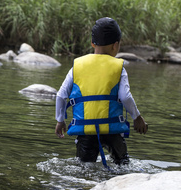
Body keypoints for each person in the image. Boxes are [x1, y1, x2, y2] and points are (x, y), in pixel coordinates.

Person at [54, 17, 148, 166]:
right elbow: (125, 96)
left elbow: (60, 95)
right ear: (115, 45)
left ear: (92, 43)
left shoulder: (77, 66)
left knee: (84, 168)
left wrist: (60, 120)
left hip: (85, 132)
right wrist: (137, 117)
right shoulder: (119, 67)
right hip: (112, 131)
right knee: (123, 164)